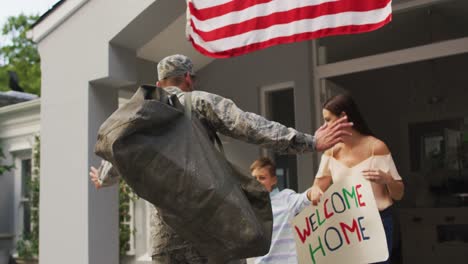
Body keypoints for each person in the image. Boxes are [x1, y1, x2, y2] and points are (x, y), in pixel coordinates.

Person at [90, 54, 353, 264]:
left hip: (166, 238)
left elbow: (117, 153)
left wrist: (103, 178)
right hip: (214, 228)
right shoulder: (198, 102)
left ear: (159, 84)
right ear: (189, 80)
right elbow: (249, 125)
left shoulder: (140, 118)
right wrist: (309, 142)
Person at [309, 94, 404, 264]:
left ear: (344, 118)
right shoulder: (331, 152)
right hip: (348, 228)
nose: (325, 127)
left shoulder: (376, 147)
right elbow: (317, 188)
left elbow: (399, 194)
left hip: (380, 224)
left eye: (328, 120)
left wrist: (387, 180)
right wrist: (314, 191)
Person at [250, 157, 311, 264]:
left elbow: (307, 197)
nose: (257, 182)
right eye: (255, 178)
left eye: (262, 178)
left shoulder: (286, 199)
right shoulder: (248, 206)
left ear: (274, 180)